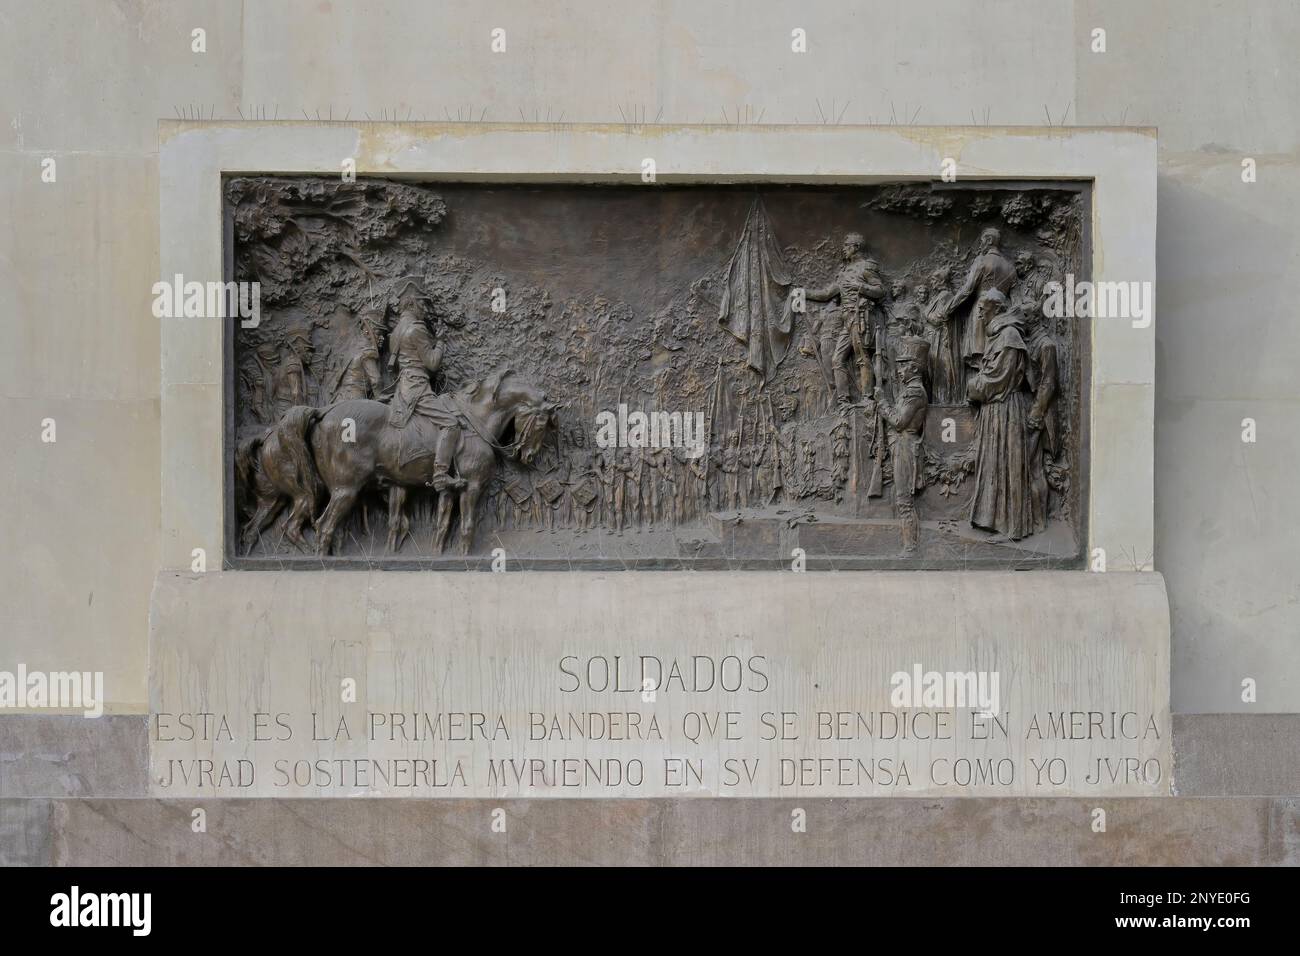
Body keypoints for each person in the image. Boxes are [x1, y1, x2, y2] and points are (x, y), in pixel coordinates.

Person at [965, 289, 1038, 540]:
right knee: (994, 463)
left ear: (996, 309)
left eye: (983, 309)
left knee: (1007, 463)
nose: (980, 313)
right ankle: (992, 520)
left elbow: (998, 379)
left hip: (1006, 410)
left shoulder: (1009, 336)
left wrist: (972, 387)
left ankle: (1011, 526)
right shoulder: (998, 335)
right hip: (994, 410)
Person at [385, 281, 464, 492]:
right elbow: (432, 364)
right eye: (422, 303)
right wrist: (440, 341)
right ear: (411, 303)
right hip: (417, 388)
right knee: (451, 423)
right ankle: (440, 475)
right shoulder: (416, 329)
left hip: (402, 387)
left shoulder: (396, 331)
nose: (424, 308)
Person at [804, 233, 886, 405]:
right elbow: (827, 293)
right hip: (847, 320)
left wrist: (860, 286)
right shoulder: (844, 272)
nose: (844, 249)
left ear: (856, 247)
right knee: (837, 360)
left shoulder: (867, 267)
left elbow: (880, 291)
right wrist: (803, 293)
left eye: (847, 245)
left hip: (861, 317)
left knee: (862, 357)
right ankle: (844, 401)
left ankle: (867, 398)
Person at [874, 336, 930, 554]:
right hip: (900, 446)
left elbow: (899, 421)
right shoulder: (909, 390)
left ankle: (910, 547)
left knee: (904, 499)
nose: (899, 370)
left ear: (914, 369)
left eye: (903, 366)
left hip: (905, 447)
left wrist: (881, 401)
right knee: (901, 498)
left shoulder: (915, 392)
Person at [946, 227, 1016, 377]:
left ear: (989, 241)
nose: (980, 245)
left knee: (981, 353)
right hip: (1003, 313)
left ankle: (981, 387)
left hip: (983, 310)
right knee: (996, 352)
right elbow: (1016, 298)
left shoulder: (982, 260)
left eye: (982, 241)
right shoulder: (1011, 267)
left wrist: (948, 308)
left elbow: (967, 289)